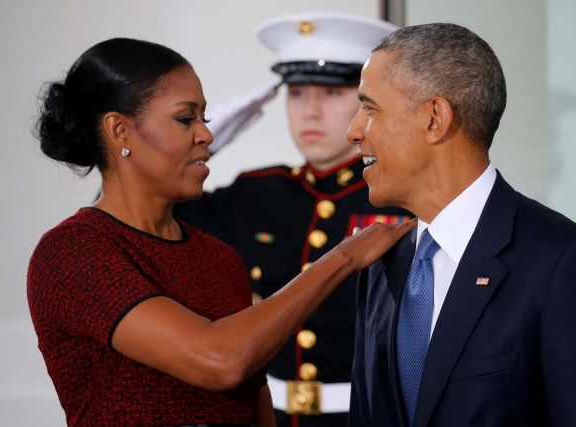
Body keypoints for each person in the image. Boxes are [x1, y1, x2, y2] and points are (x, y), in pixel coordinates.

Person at [26, 37, 415, 427]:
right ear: (120, 131)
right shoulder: (71, 251)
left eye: (205, 119)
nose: (207, 135)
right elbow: (220, 361)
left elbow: (253, 399)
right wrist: (343, 257)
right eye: (185, 119)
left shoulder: (218, 256)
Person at [347, 23, 576, 427]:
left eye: (370, 109)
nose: (354, 131)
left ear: (436, 118)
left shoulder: (569, 265)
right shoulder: (381, 265)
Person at [174, 13, 409, 427]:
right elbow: (128, 223)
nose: (311, 111)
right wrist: (191, 148)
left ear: (368, 104)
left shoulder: (399, 198)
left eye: (332, 93)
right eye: (297, 93)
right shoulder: (257, 194)